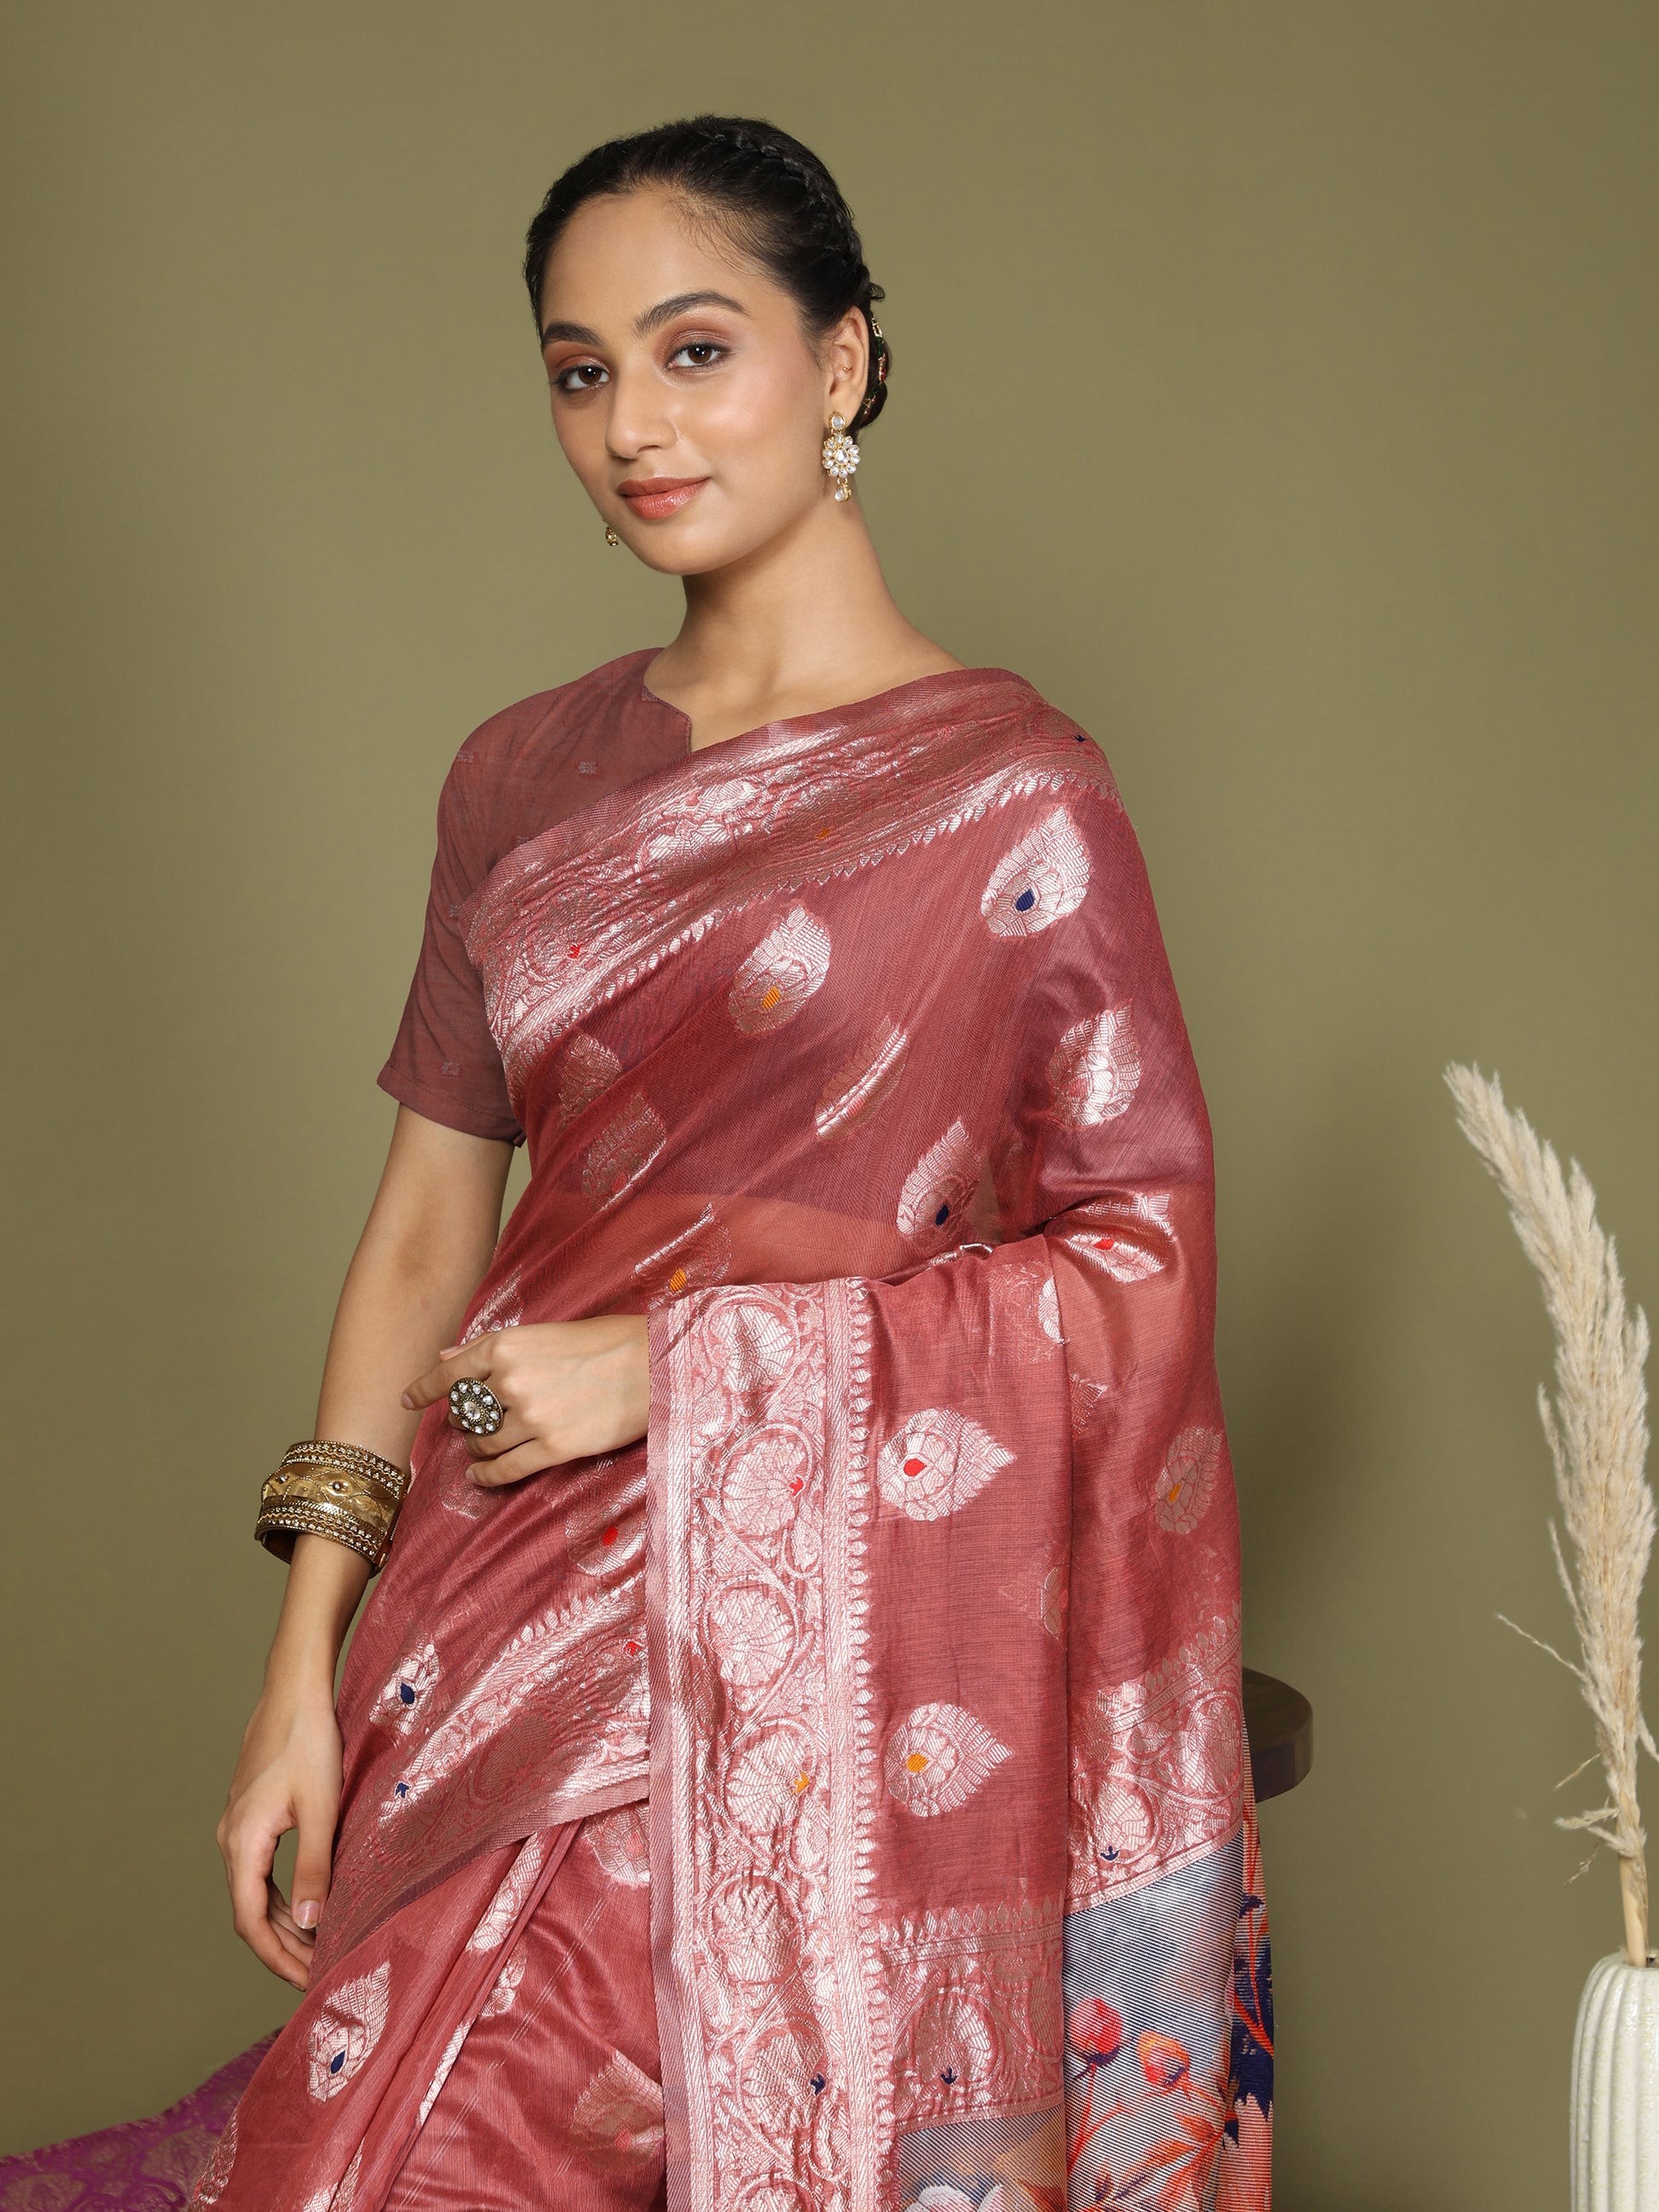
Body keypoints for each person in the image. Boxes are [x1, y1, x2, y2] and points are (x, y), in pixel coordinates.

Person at [0, 116, 1272, 2212]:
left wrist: (678, 1376)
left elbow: (1135, 1262)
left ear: (840, 361)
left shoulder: (1014, 800)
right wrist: (297, 1670)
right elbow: (428, 1225)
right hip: (483, 1600)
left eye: (695, 351)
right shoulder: (517, 776)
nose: (632, 427)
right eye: (580, 373)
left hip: (792, 1647)